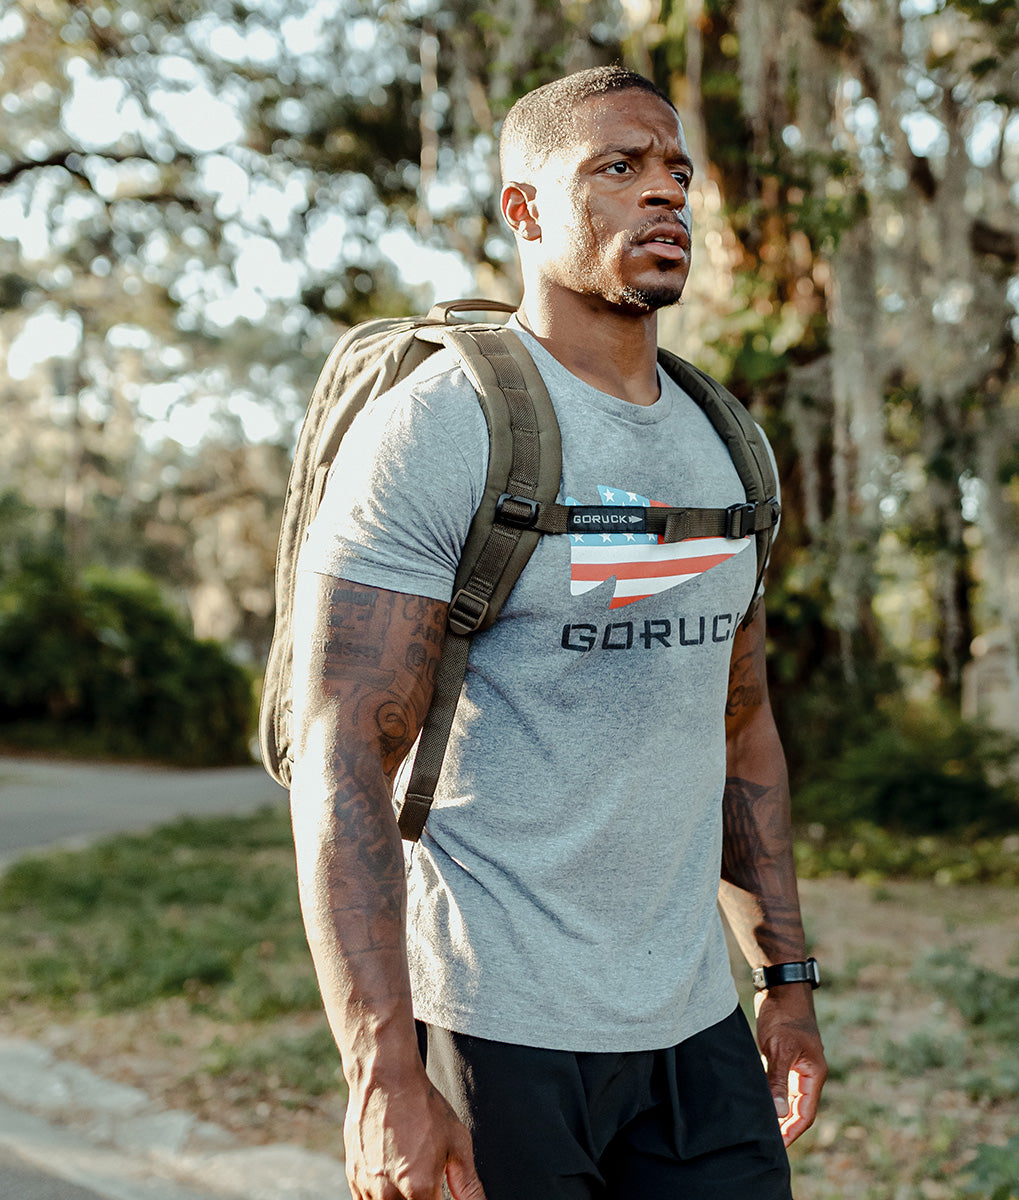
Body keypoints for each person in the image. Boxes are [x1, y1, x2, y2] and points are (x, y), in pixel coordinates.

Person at [287, 65, 827, 1200]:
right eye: (619, 168)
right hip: (492, 1030)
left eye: (676, 172)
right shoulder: (437, 429)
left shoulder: (730, 445)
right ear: (524, 211)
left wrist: (787, 980)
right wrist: (382, 1068)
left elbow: (741, 730)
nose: (665, 195)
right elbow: (341, 753)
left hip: (694, 1036)